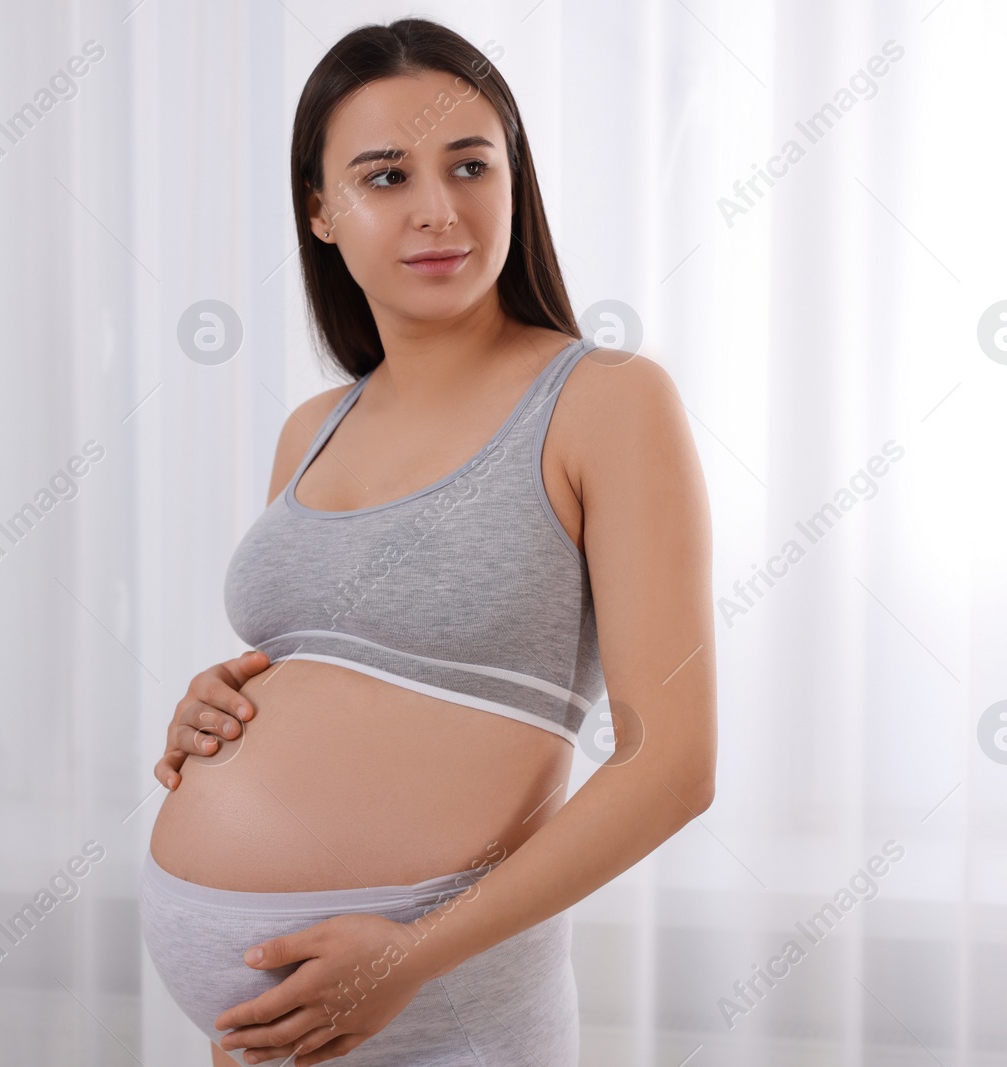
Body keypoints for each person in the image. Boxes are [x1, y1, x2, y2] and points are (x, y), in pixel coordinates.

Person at [141, 17, 716, 1066]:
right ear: (321, 210)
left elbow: (670, 765)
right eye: (384, 176)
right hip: (279, 1036)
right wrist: (213, 706)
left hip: (449, 1009)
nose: (438, 210)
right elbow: (327, 671)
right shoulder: (311, 429)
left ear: (513, 181)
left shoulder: (603, 402)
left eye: (468, 165)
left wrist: (407, 957)